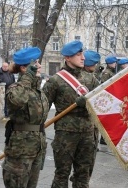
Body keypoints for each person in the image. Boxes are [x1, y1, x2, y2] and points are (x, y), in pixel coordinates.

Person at [42, 40, 99, 187]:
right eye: (78, 54)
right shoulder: (55, 81)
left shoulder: (89, 79)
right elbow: (42, 108)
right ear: (67, 58)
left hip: (87, 132)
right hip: (65, 135)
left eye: (83, 54)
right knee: (62, 174)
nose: (83, 58)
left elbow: (102, 102)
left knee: (83, 174)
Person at [2, 47, 49, 188]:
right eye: (35, 63)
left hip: (37, 148)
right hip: (20, 151)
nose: (39, 66)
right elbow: (17, 100)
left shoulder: (37, 91)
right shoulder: (15, 88)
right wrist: (27, 78)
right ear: (24, 68)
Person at [99, 55, 117, 145]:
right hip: (108, 97)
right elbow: (104, 85)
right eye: (114, 63)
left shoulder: (111, 72)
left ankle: (105, 138)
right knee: (106, 119)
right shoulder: (106, 73)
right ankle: (103, 138)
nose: (115, 64)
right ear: (110, 64)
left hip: (112, 97)